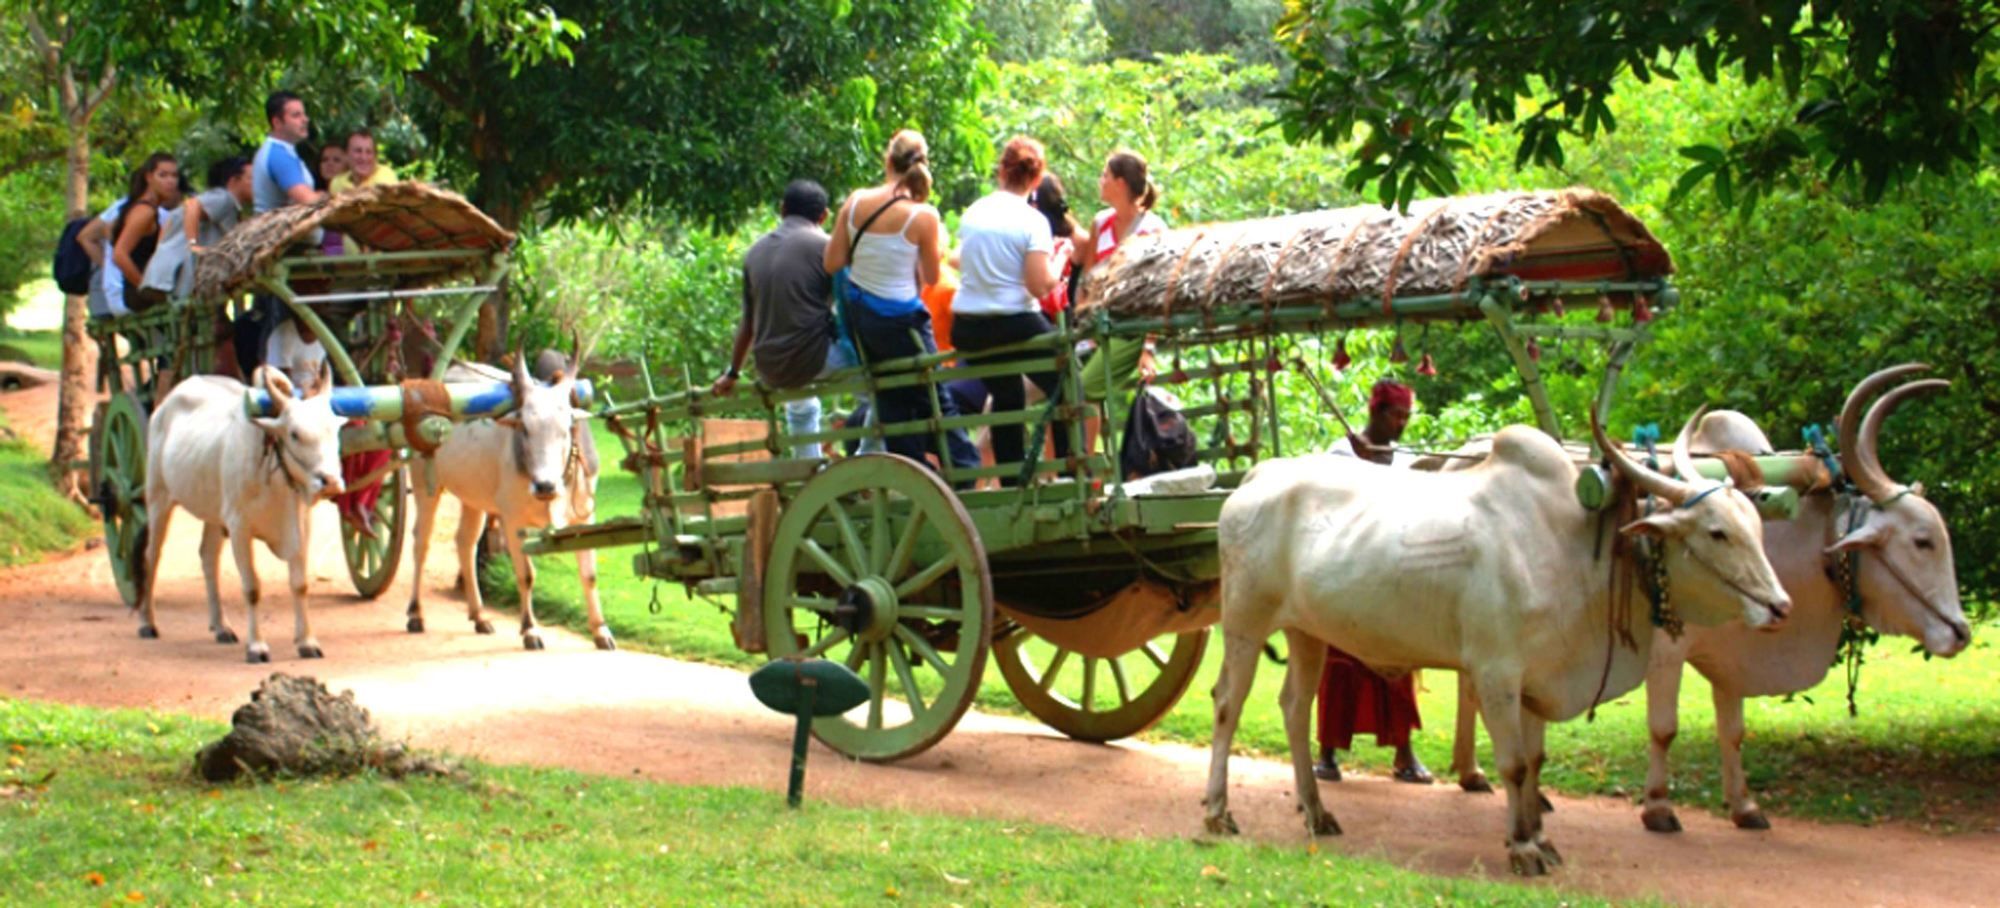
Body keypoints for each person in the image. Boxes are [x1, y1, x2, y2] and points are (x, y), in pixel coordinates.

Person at [823, 130, 978, 474]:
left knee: (890, 397)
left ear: (887, 161)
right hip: (904, 322)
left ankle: (914, 471)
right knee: (938, 400)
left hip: (865, 324)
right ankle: (967, 470)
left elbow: (832, 263)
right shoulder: (923, 216)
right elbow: (932, 277)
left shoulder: (854, 203)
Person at [1315, 378, 1432, 784]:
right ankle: (1327, 756)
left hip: (1389, 575)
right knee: (1340, 662)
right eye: (1396, 416)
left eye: (1406, 417)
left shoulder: (1403, 460)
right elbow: (1328, 507)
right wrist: (1359, 468)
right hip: (1345, 571)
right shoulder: (1339, 454)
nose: (1401, 424)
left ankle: (1404, 755)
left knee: (1396, 664)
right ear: (1377, 413)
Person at [948, 136, 1077, 486]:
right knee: (1069, 379)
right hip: (1013, 321)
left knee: (1008, 395)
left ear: (1001, 171)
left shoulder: (974, 212)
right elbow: (1039, 285)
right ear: (1036, 180)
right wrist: (1060, 257)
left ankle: (1010, 482)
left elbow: (961, 259)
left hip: (968, 327)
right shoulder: (1032, 221)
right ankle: (1068, 472)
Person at [712, 180, 858, 459]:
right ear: (824, 216)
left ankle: (810, 473)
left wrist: (733, 372)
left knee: (802, 407)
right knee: (874, 386)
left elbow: (748, 323)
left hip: (771, 367)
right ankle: (867, 459)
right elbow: (849, 303)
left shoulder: (755, 252)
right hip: (813, 358)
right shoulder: (826, 247)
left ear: (782, 210)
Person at [143, 156, 251, 301]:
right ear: (234, 181)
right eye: (251, 179)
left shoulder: (229, 206)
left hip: (164, 276)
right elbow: (192, 205)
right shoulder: (224, 198)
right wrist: (192, 244)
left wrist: (160, 251)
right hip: (178, 276)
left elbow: (171, 219)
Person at [88, 153, 180, 318]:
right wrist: (145, 288)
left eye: (174, 175)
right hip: (131, 295)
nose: (170, 181)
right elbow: (119, 255)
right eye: (163, 175)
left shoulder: (153, 211)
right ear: (149, 178)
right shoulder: (144, 212)